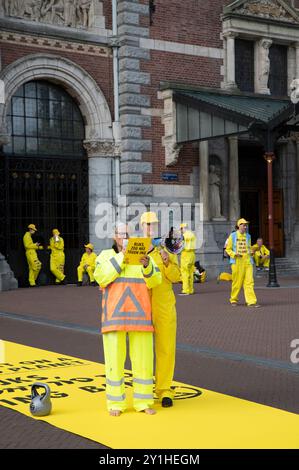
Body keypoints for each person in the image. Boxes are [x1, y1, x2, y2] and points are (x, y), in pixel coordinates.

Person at [94, 222, 162, 416]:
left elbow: (156, 280)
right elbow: (101, 277)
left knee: (144, 362)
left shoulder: (143, 257)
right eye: (121, 233)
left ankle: (144, 401)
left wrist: (147, 265)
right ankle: (116, 403)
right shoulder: (105, 256)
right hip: (114, 317)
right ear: (114, 236)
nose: (124, 237)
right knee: (114, 362)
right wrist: (122, 257)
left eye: (127, 234)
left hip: (140, 317)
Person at [141, 212, 181, 408]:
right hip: (142, 305)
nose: (151, 228)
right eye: (148, 225)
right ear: (142, 227)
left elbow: (176, 277)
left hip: (164, 305)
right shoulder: (136, 249)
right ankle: (145, 387)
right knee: (144, 349)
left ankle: (164, 389)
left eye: (154, 225)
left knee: (166, 347)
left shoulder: (168, 249)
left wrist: (166, 262)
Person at [225, 218, 260, 308]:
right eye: (244, 225)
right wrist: (234, 254)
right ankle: (233, 299)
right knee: (237, 282)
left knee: (249, 282)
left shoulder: (248, 236)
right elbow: (227, 249)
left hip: (247, 261)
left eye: (246, 225)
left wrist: (252, 251)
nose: (245, 227)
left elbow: (248, 248)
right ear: (239, 225)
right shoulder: (232, 236)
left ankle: (251, 301)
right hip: (237, 262)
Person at [179, 223, 196, 295]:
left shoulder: (184, 235)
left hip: (186, 254)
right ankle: (191, 289)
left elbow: (180, 245)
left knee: (185, 273)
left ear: (183, 228)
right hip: (192, 254)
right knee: (191, 273)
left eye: (181, 229)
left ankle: (186, 290)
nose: (180, 231)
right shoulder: (192, 234)